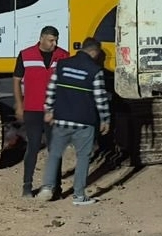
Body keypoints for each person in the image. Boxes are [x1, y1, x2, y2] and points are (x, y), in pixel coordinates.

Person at [34, 37, 111, 206]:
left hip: (62, 119)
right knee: (83, 157)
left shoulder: (62, 65)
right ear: (94, 52)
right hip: (84, 122)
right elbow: (100, 98)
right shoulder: (95, 70)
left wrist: (48, 109)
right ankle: (79, 196)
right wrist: (105, 119)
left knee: (55, 154)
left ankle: (47, 188)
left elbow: (51, 89)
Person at [12, 26, 68, 198]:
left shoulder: (63, 56)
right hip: (32, 109)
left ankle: (56, 187)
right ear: (42, 38)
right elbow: (16, 80)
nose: (54, 44)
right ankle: (27, 186)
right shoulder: (26, 55)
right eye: (51, 40)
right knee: (33, 146)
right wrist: (19, 104)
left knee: (55, 149)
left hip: (54, 111)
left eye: (56, 40)